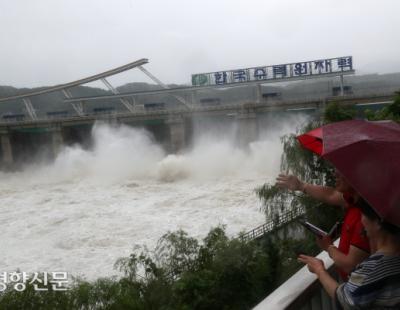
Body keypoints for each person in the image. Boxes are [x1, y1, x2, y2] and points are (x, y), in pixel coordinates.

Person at [298, 198, 400, 309]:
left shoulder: (374, 268)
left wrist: (319, 270)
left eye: (363, 215)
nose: (361, 221)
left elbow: (345, 301)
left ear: (378, 222)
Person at [276, 171, 370, 280]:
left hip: (356, 292)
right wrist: (301, 185)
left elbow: (351, 265)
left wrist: (329, 247)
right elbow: (331, 195)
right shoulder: (355, 200)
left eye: (340, 170)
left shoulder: (364, 216)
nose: (335, 174)